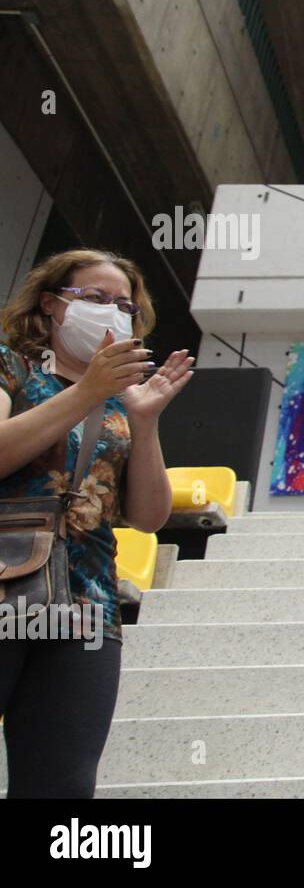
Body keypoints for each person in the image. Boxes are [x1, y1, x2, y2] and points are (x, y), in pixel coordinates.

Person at [0, 248, 193, 797]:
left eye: (124, 305)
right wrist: (87, 391)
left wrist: (144, 420)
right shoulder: (10, 366)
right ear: (50, 304)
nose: (112, 312)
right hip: (3, 580)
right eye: (94, 298)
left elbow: (149, 517)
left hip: (86, 603)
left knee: (62, 786)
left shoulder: (121, 401)